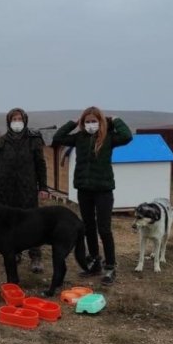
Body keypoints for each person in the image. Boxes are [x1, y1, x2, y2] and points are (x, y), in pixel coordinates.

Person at [51, 106, 132, 285]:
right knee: (88, 227)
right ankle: (95, 261)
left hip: (103, 190)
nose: (90, 125)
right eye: (87, 122)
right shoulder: (79, 138)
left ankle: (110, 267)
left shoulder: (109, 138)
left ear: (101, 122)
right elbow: (58, 138)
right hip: (84, 189)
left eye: (94, 121)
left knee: (104, 228)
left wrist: (116, 119)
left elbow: (127, 136)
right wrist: (72, 123)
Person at [0, 107, 49, 273]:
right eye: (14, 119)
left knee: (32, 222)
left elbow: (40, 164)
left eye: (19, 119)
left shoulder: (33, 140)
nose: (16, 122)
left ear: (24, 120)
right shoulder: (3, 140)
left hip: (27, 188)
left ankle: (35, 256)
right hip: (5, 188)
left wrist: (43, 187)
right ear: (8, 121)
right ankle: (14, 252)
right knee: (9, 222)